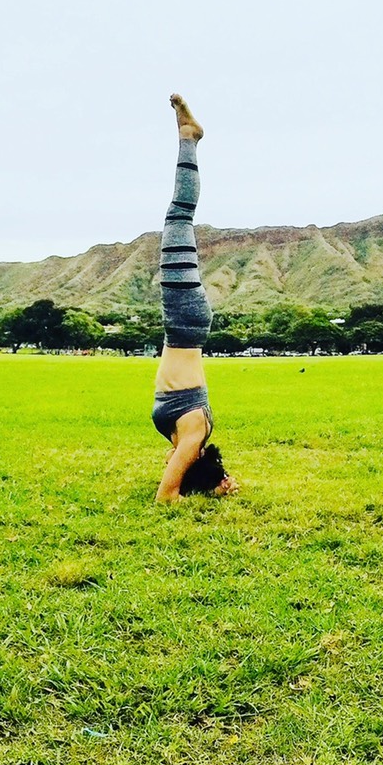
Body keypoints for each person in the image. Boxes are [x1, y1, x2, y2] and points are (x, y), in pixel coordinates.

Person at [152, 94, 237, 503]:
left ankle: (188, 137)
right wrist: (211, 484)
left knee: (177, 217)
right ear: (193, 458)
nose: (170, 459)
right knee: (178, 217)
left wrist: (215, 483)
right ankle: (189, 138)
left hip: (180, 328)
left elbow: (175, 479)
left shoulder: (188, 439)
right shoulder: (195, 433)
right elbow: (166, 495)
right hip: (187, 322)